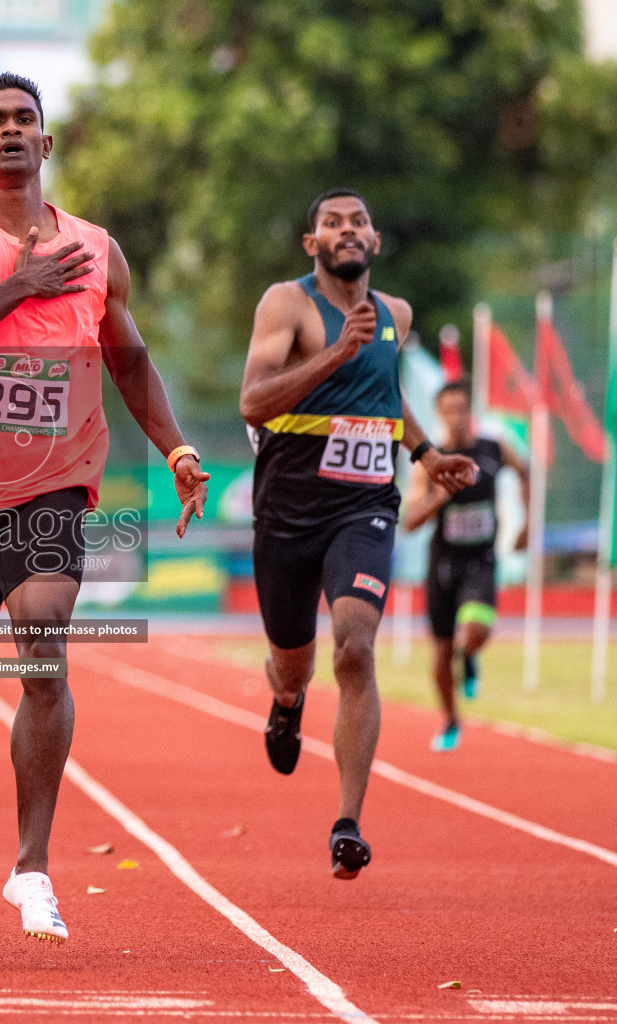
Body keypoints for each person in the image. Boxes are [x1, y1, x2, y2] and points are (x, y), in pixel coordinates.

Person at [0, 72, 209, 944]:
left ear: (46, 141)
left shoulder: (99, 250)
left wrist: (176, 449)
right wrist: (19, 288)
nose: (9, 132)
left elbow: (131, 361)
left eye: (24, 119)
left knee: (44, 645)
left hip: (56, 483)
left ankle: (31, 868)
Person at [239, 188, 476, 879]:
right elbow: (253, 400)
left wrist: (427, 453)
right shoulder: (287, 305)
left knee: (355, 646)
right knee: (295, 662)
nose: (348, 231)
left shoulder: (396, 315)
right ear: (313, 244)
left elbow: (384, 393)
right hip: (287, 508)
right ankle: (286, 701)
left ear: (375, 240)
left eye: (359, 222)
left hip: (364, 507)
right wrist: (334, 354)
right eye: (332, 224)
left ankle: (348, 822)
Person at [401, 380, 529, 751]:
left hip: (481, 559)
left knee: (472, 631)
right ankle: (451, 719)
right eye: (448, 410)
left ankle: (470, 656)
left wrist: (527, 525)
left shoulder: (493, 448)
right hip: (443, 565)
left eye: (462, 409)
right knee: (441, 654)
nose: (456, 417)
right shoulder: (430, 459)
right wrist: (441, 495)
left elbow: (526, 472)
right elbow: (409, 521)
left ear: (470, 411)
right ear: (439, 414)